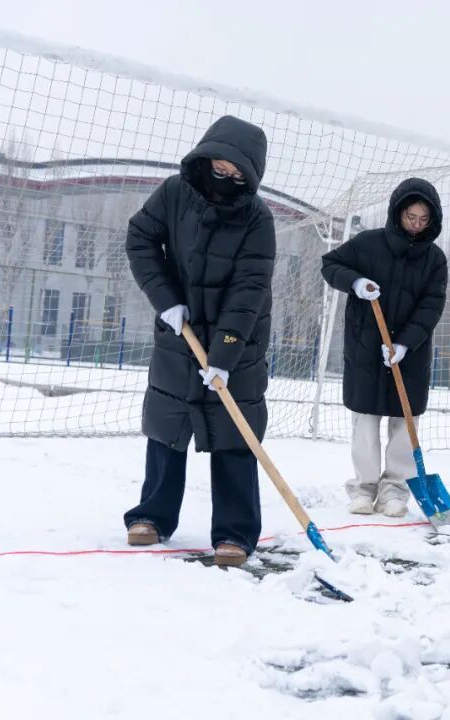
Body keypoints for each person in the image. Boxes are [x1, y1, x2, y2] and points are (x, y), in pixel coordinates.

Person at [123, 115, 275, 568]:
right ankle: (152, 515)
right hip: (178, 328)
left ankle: (235, 532)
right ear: (204, 159)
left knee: (234, 430)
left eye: (237, 175)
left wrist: (225, 354)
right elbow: (140, 240)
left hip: (239, 339)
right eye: (219, 169)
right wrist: (165, 300)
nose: (225, 179)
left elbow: (249, 291)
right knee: (167, 422)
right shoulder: (173, 193)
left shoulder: (258, 219)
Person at [321, 178, 447, 518]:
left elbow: (432, 305)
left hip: (411, 353)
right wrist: (357, 284)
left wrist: (405, 343)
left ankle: (394, 490)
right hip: (365, 349)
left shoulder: (434, 259)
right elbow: (330, 265)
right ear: (398, 212)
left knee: (404, 425)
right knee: (365, 422)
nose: (417, 225)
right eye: (411, 217)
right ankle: (363, 489)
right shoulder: (367, 244)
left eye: (424, 220)